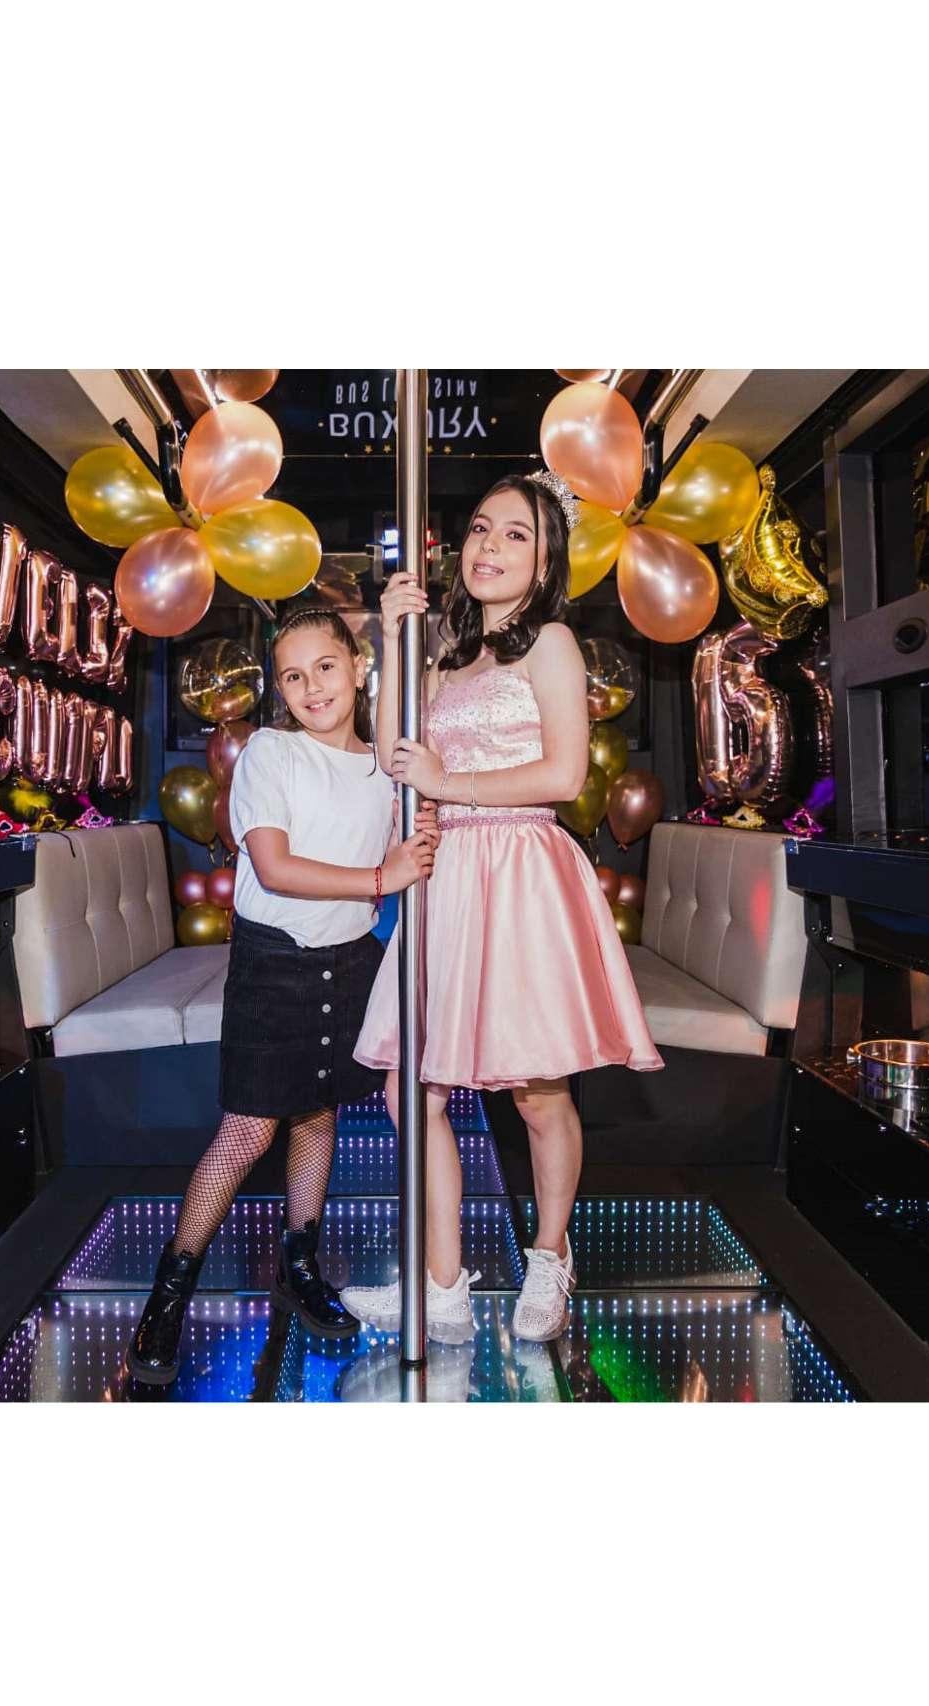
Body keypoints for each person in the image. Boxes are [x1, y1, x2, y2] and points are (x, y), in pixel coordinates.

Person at [343, 470, 662, 1346]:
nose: (488, 546)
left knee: (536, 1090)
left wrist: (449, 783)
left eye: (515, 534)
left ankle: (550, 1257)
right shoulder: (446, 651)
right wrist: (391, 637)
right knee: (411, 1088)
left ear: (546, 559)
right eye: (481, 528)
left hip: (519, 869)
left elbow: (564, 773)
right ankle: (442, 1285)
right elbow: (391, 749)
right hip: (446, 875)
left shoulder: (550, 641)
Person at [127, 609, 439, 1386]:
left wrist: (416, 839)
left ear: (358, 666)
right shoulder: (271, 751)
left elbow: (398, 845)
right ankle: (168, 1295)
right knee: (246, 1130)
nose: (312, 687)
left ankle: (299, 1266)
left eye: (326, 667)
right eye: (293, 676)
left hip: (351, 959)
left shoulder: (386, 767)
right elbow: (274, 867)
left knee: (317, 1116)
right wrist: (383, 876)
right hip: (274, 962)